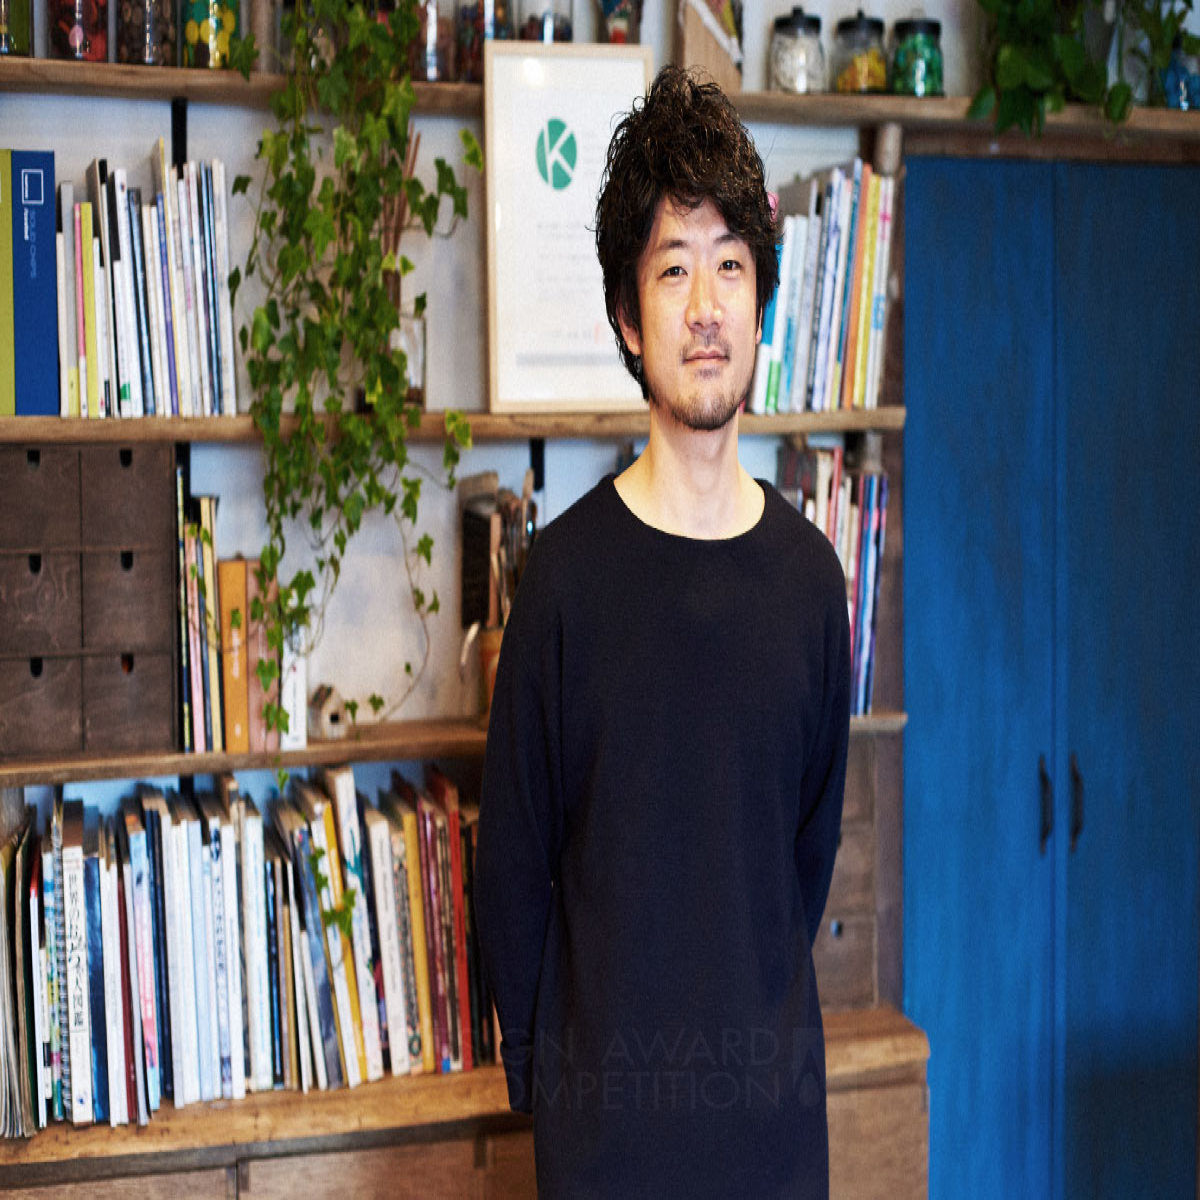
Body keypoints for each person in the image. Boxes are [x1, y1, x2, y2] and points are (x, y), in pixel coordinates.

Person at [473, 65, 851, 1199]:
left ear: (760, 305)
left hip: (774, 1141)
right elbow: (512, 866)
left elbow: (804, 859)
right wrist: (554, 1086)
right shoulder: (564, 579)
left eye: (730, 265)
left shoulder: (810, 581)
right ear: (629, 321)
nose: (705, 306)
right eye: (673, 268)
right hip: (607, 1150)